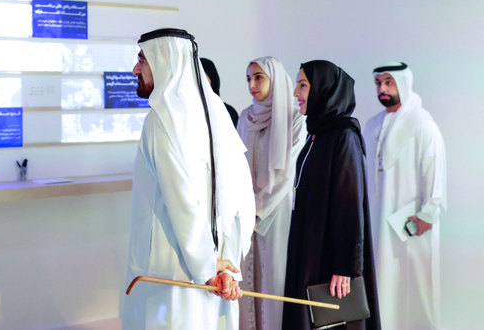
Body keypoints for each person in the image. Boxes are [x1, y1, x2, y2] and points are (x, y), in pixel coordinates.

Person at [121, 28, 255, 329]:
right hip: (216, 274)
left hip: (172, 274)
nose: (135, 70)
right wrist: (227, 267)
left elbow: (181, 200)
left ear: (164, 60)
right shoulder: (217, 113)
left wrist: (206, 269)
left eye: (142, 60)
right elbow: (243, 202)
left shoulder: (160, 121)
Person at [282, 60, 380, 330]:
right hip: (310, 245)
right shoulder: (316, 134)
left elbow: (349, 203)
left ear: (324, 89)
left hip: (329, 254)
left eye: (303, 85)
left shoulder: (344, 136)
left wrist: (344, 266)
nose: (296, 93)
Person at [362, 62, 446, 330]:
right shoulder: (372, 125)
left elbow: (435, 172)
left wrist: (427, 214)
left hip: (411, 225)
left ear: (403, 83)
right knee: (381, 286)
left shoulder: (422, 124)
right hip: (378, 223)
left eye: (389, 82)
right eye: (378, 83)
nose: (383, 89)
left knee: (415, 290)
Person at [237, 57, 305, 330]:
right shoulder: (246, 117)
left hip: (276, 213)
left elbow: (287, 174)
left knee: (273, 281)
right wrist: (243, 209)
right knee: (245, 283)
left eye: (259, 77)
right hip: (244, 215)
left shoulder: (294, 119)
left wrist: (258, 209)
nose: (252, 85)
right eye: (249, 78)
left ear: (275, 78)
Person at [200, 57, 240, 127]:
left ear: (212, 79)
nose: (198, 82)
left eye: (202, 77)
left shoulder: (228, 112)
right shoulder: (185, 112)